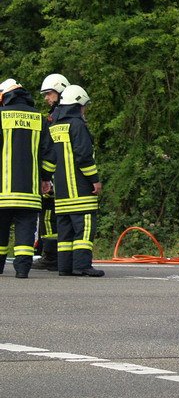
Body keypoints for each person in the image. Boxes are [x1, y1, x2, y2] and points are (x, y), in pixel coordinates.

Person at [0, 79, 56, 278]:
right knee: (25, 230)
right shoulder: (39, 119)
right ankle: (22, 271)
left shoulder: (1, 116)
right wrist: (45, 179)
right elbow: (50, 154)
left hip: (2, 193)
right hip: (30, 193)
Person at [49, 84, 105, 276]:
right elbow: (83, 156)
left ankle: (65, 267)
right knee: (84, 229)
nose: (84, 110)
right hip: (80, 190)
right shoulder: (77, 125)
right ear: (78, 104)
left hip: (61, 192)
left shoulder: (54, 125)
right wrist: (95, 180)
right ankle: (82, 266)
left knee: (65, 233)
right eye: (83, 106)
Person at [32, 73, 69, 270]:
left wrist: (46, 177)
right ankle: (58, 255)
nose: (46, 98)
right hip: (63, 174)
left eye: (49, 93)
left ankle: (50, 256)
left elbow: (50, 149)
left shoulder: (56, 117)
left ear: (61, 91)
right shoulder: (70, 113)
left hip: (55, 174)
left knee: (48, 214)